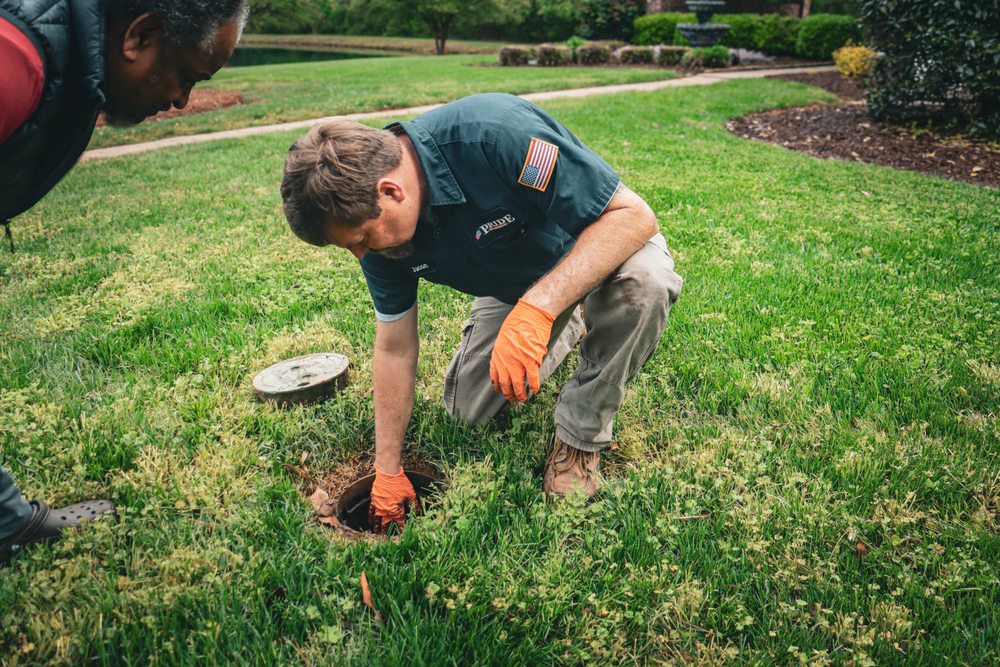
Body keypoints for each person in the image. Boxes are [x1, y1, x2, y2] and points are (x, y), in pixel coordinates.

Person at [281, 93, 684, 533]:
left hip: (597, 241)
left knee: (646, 284)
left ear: (391, 191)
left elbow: (633, 217)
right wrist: (388, 469)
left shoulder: (494, 135)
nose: (360, 253)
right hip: (520, 282)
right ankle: (568, 318)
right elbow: (394, 346)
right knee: (468, 413)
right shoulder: (379, 238)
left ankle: (580, 438)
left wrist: (537, 309)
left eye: (360, 238)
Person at [0, 0, 249, 566]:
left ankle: (5, 522)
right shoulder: (14, 62)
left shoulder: (66, 53)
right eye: (186, 75)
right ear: (139, 37)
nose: (181, 100)